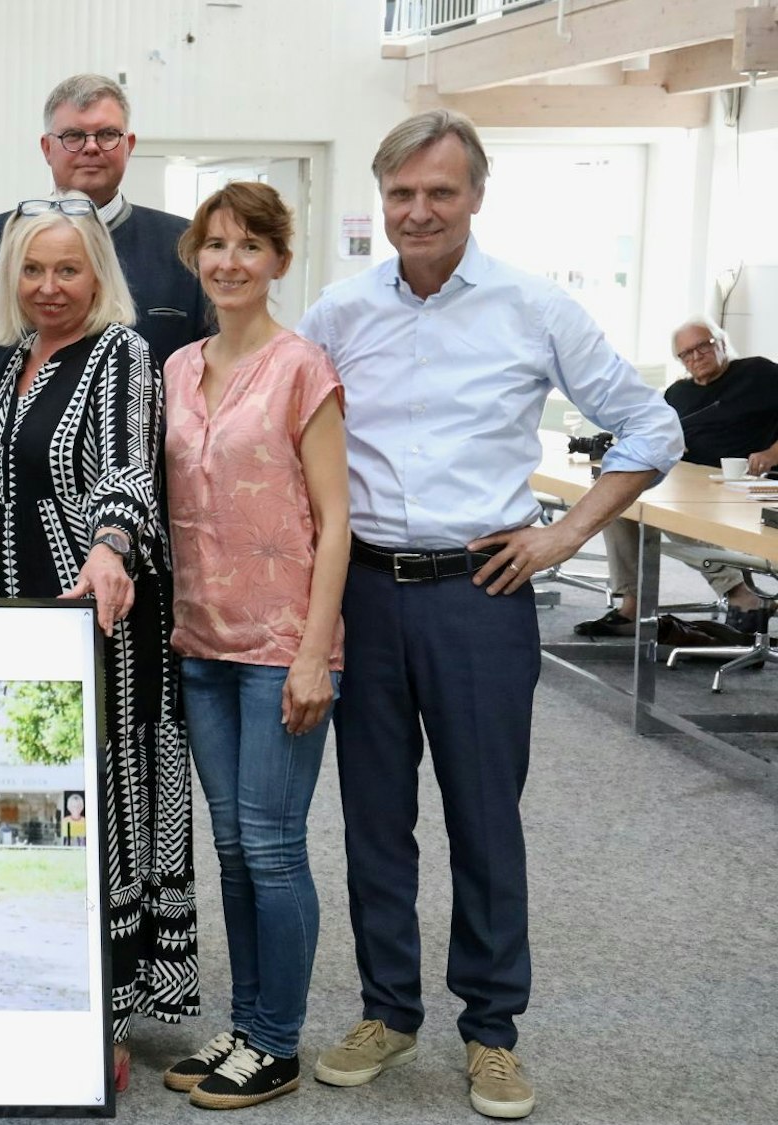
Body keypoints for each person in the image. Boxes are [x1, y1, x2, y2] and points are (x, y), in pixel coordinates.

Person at [297, 110, 681, 1121]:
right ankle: (387, 1011)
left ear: (474, 197)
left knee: (482, 819)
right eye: (399, 194)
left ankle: (490, 1031)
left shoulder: (530, 308)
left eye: (439, 192)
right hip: (363, 596)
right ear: (379, 200)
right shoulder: (335, 312)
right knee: (374, 820)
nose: (417, 212)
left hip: (481, 594)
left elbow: (651, 426)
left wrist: (563, 536)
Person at [0, 191, 195, 1093]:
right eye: (33, 269)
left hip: (97, 626)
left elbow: (127, 467)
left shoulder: (122, 353)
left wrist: (110, 547)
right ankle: (44, 989)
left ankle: (103, 1016)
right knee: (38, 814)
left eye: (68, 268)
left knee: (101, 817)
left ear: (99, 273)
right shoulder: (16, 360)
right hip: (23, 627)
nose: (50, 285)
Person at [158, 182, 348, 1110]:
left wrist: (316, 650)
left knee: (274, 847)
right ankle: (244, 1023)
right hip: (200, 640)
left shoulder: (302, 366)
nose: (228, 260)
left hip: (281, 641)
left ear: (278, 259)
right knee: (231, 847)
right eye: (214, 244)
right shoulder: (179, 366)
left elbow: (337, 517)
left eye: (248, 245)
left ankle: (276, 1041)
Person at [0, 73, 208, 392]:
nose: (91, 147)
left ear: (128, 145)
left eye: (107, 134)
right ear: (47, 147)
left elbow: (212, 366)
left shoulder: (187, 245)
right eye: (73, 136)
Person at [574, 318, 778, 638]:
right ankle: (634, 605)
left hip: (743, 486)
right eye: (685, 353)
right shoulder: (678, 393)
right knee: (616, 501)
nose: (695, 356)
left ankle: (742, 595)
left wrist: (773, 452)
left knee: (674, 516)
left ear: (721, 343)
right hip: (689, 480)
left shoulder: (759, 373)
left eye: (703, 346)